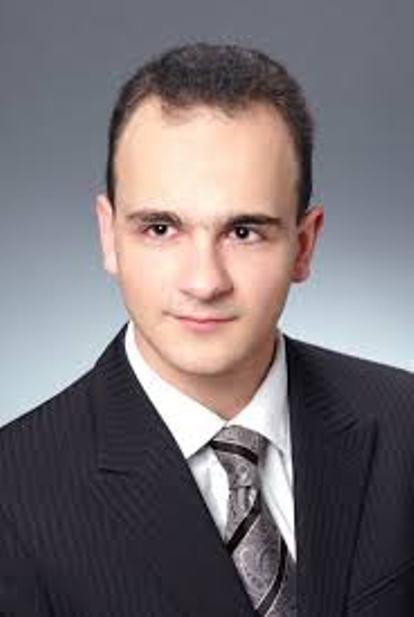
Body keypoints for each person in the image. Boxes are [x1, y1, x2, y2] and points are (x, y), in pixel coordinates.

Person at [0, 43, 413, 617]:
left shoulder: (405, 424)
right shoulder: (13, 494)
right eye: (161, 228)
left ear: (304, 245)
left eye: (244, 232)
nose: (204, 281)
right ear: (109, 237)